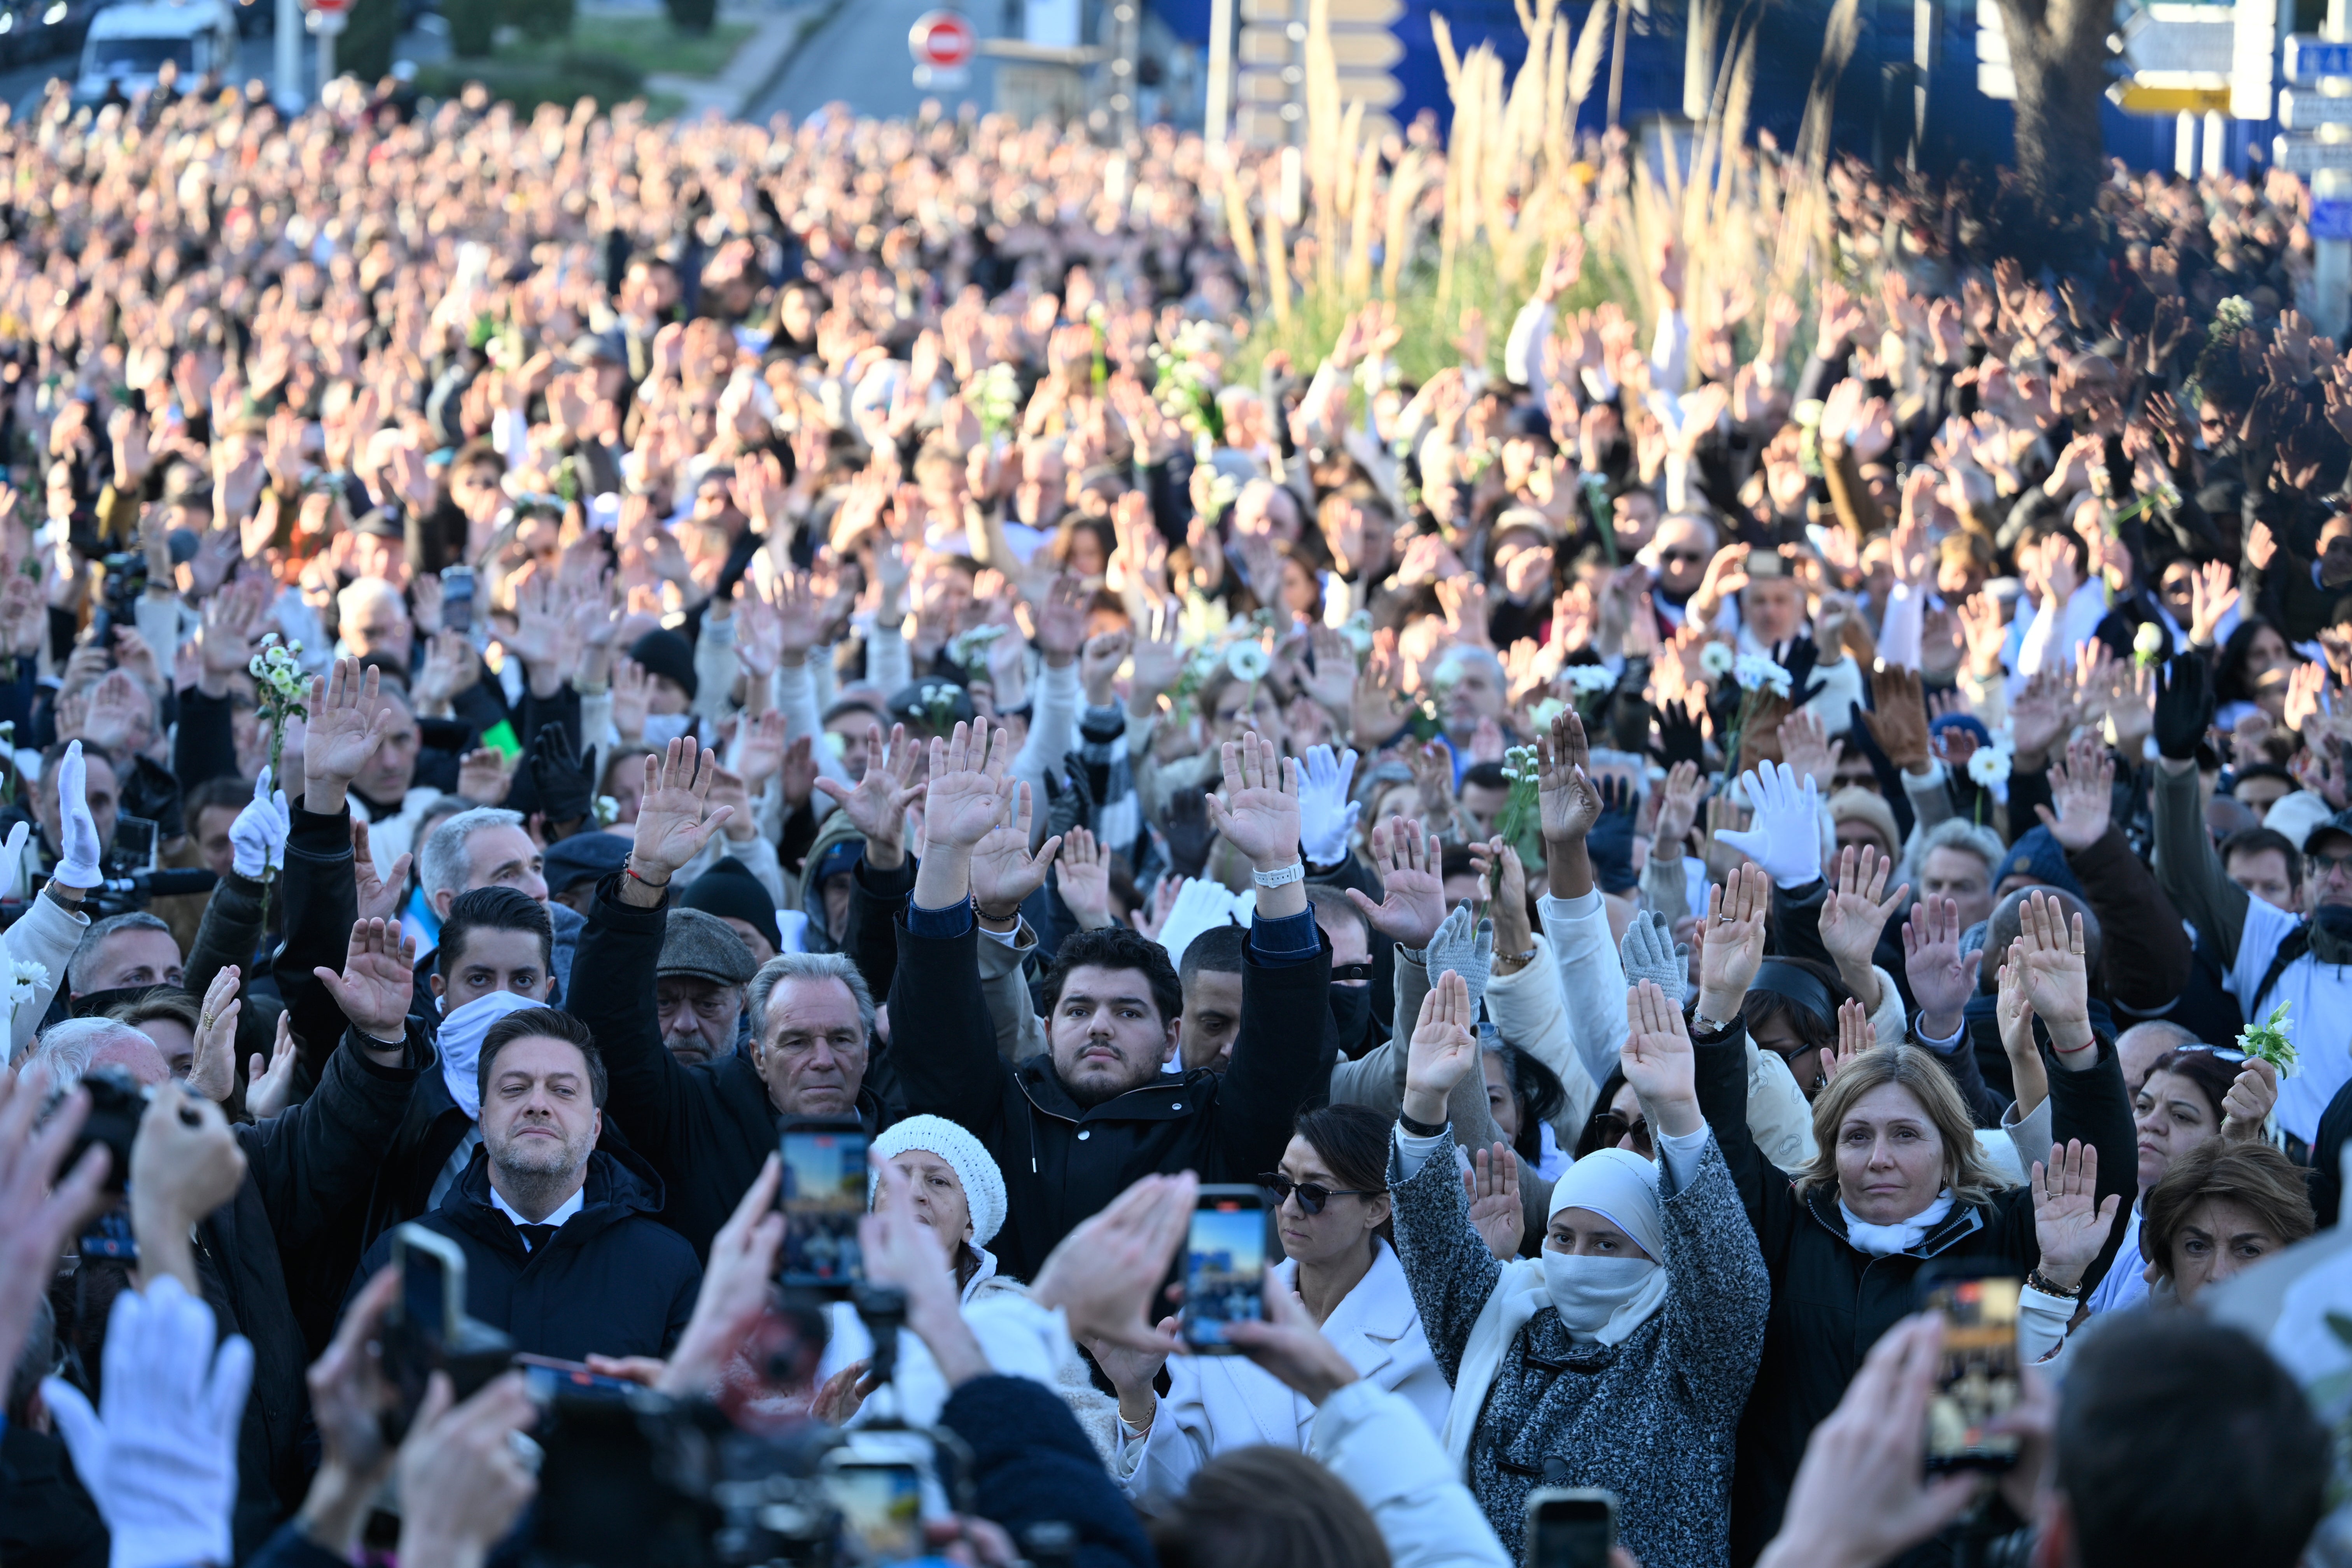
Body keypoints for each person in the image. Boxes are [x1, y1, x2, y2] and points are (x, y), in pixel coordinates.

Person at [1701, 882, 2135, 1563]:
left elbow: (2092, 1176)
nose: (1878, 1159)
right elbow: (1718, 1139)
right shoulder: (1787, 1223)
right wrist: (1718, 1012)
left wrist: (2074, 1037)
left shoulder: (1994, 1238)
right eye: (1856, 1136)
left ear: (1949, 1147)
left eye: (1905, 1134)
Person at [891, 726, 1334, 1282]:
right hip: (1012, 1363)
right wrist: (944, 853)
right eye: (1078, 1011)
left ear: (1172, 1036)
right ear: (1048, 1029)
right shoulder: (999, 1112)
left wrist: (1277, 868)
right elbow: (935, 1025)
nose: (1100, 1027)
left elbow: (1287, 1043)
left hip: (1187, 1366)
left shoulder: (1215, 1126)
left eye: (1128, 1012)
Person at [1389, 967, 1769, 1566]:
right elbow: (1435, 1250)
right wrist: (1423, 1105)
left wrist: (1678, 1113)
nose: (1576, 1260)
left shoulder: (1689, 1354)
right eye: (1562, 1238)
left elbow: (1727, 1279)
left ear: (1658, 1252)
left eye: (1607, 1245)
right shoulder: (1510, 1320)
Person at [569, 738, 891, 1257]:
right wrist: (645, 879)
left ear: (869, 1050)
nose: (823, 1060)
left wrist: (891, 859)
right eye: (796, 1042)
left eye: (841, 1038)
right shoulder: (699, 1116)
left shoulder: (905, 1139)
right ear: (758, 1055)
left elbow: (890, 967)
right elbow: (608, 1031)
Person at [1094, 1102, 1450, 1512]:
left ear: (1377, 1209)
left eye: (1316, 1194)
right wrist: (1136, 1394)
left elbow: (1401, 1501)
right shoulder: (1222, 1304)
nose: (1291, 1209)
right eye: (1281, 1185)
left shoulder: (1424, 1332)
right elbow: (1181, 1491)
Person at [350, 1006, 701, 1361]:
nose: (537, 1105)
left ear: (596, 1128)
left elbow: (695, 1413)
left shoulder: (668, 1268)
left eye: (563, 1091)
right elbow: (339, 1411)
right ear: (484, 1122)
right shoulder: (401, 1262)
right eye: (515, 1089)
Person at [654, 907, 757, 1067]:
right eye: (664, 1003)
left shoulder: (774, 1087)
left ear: (741, 1002)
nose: (685, 1026)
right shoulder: (609, 1085)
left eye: (707, 1005)